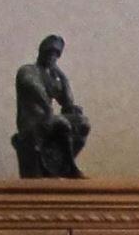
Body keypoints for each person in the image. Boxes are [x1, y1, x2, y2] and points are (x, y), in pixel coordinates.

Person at [13, 35, 90, 179]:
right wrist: (48, 109)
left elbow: (67, 102)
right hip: (32, 120)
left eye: (56, 55)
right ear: (42, 52)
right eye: (49, 53)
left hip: (48, 117)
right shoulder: (28, 70)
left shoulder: (53, 76)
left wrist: (62, 76)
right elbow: (35, 89)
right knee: (62, 123)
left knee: (82, 123)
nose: (52, 57)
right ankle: (65, 165)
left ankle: (64, 166)